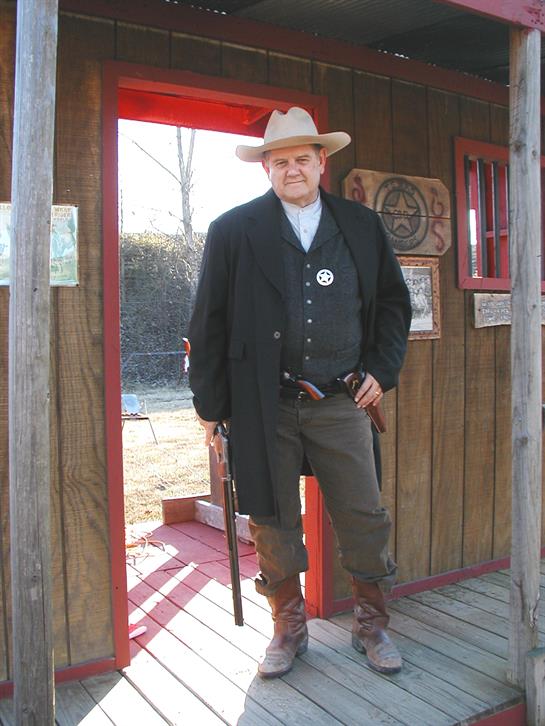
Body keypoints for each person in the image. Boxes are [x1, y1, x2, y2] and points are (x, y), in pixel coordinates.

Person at [188, 107, 412, 679]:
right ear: (267, 168)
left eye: (302, 160)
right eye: (280, 161)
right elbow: (208, 323)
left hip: (341, 400)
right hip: (262, 404)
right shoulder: (233, 231)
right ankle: (288, 630)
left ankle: (372, 625)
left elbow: (392, 305)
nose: (292, 169)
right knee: (271, 516)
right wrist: (212, 410)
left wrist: (380, 372)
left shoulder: (360, 226)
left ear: (321, 163)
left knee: (364, 512)